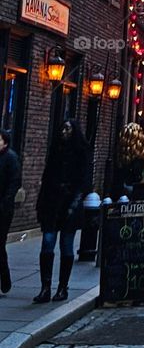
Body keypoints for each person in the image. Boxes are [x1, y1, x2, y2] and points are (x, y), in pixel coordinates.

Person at [34, 119, 91, 303]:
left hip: (69, 206)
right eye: (62, 128)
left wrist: (74, 205)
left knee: (66, 246)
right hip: (51, 204)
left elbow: (84, 183)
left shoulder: (80, 153)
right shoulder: (55, 151)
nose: (64, 132)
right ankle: (45, 287)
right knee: (47, 243)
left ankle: (62, 287)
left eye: (67, 129)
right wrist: (41, 203)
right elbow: (46, 176)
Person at [0, 130, 21, 295]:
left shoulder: (11, 158)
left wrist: (5, 203)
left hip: (3, 210)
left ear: (5, 142)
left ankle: (4, 277)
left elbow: (14, 183)